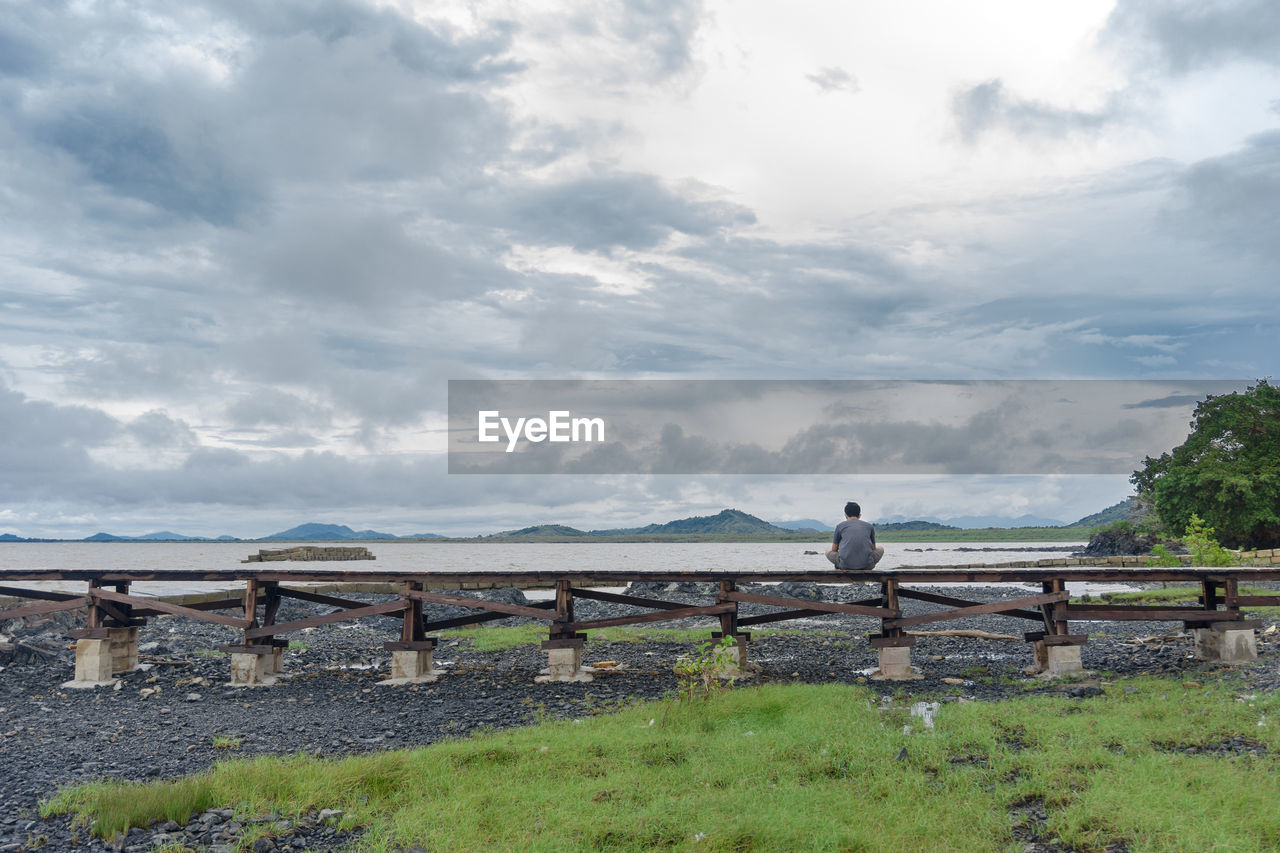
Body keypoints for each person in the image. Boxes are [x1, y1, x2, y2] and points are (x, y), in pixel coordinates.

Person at [826, 501, 884, 571]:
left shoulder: (840, 526)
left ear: (845, 515)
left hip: (845, 565)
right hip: (867, 565)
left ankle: (839, 565)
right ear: (859, 515)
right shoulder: (869, 526)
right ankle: (868, 565)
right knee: (881, 548)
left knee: (828, 551)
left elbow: (834, 549)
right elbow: (873, 548)